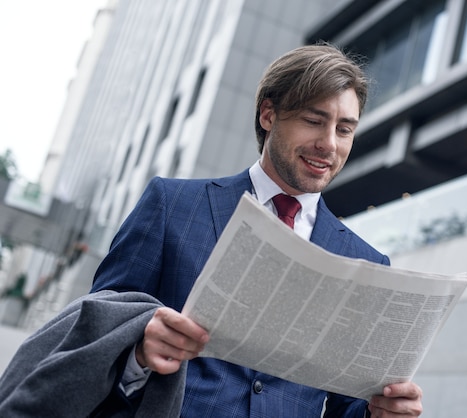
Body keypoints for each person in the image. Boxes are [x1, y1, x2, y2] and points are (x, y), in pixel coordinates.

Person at [90, 43, 423, 417]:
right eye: (314, 121)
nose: (329, 144)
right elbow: (93, 335)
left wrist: (378, 413)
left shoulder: (367, 263)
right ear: (268, 114)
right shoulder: (171, 205)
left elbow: (348, 406)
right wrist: (138, 354)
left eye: (344, 129)